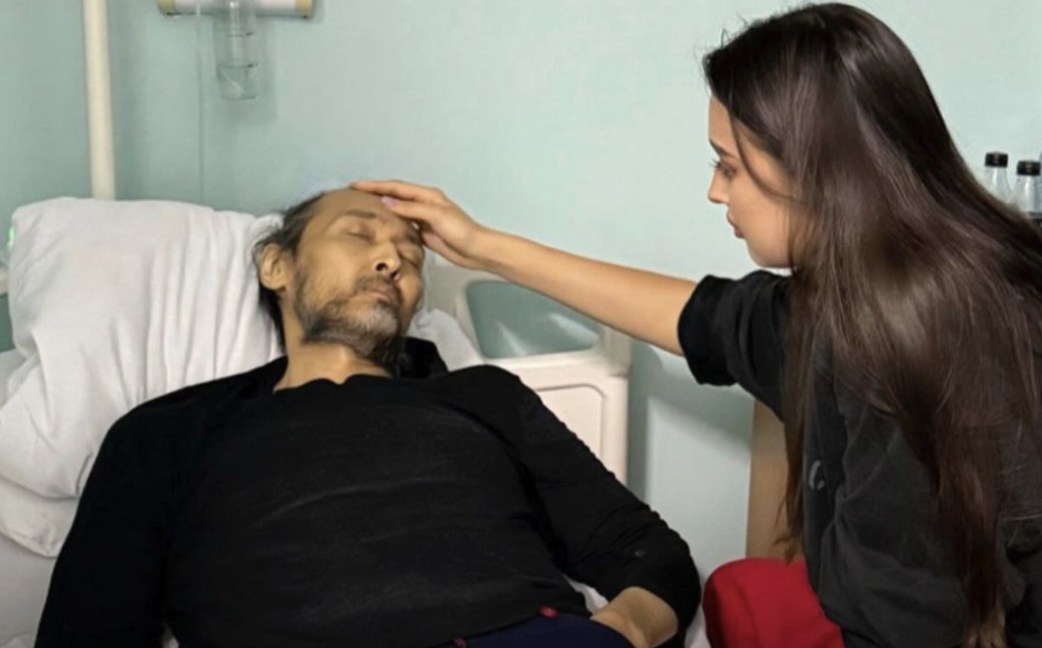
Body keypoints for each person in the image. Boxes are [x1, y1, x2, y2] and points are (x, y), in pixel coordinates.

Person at [352, 4, 1042, 648]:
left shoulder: (906, 353)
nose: (715, 191)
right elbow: (704, 320)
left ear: (818, 171)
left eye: (729, 166)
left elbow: (913, 623)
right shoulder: (898, 283)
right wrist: (484, 247)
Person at [34, 188, 701, 648]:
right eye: (358, 235)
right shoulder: (168, 433)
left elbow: (648, 554)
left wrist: (616, 632)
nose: (391, 259)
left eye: (411, 256)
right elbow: (88, 630)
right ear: (276, 266)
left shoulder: (483, 398)